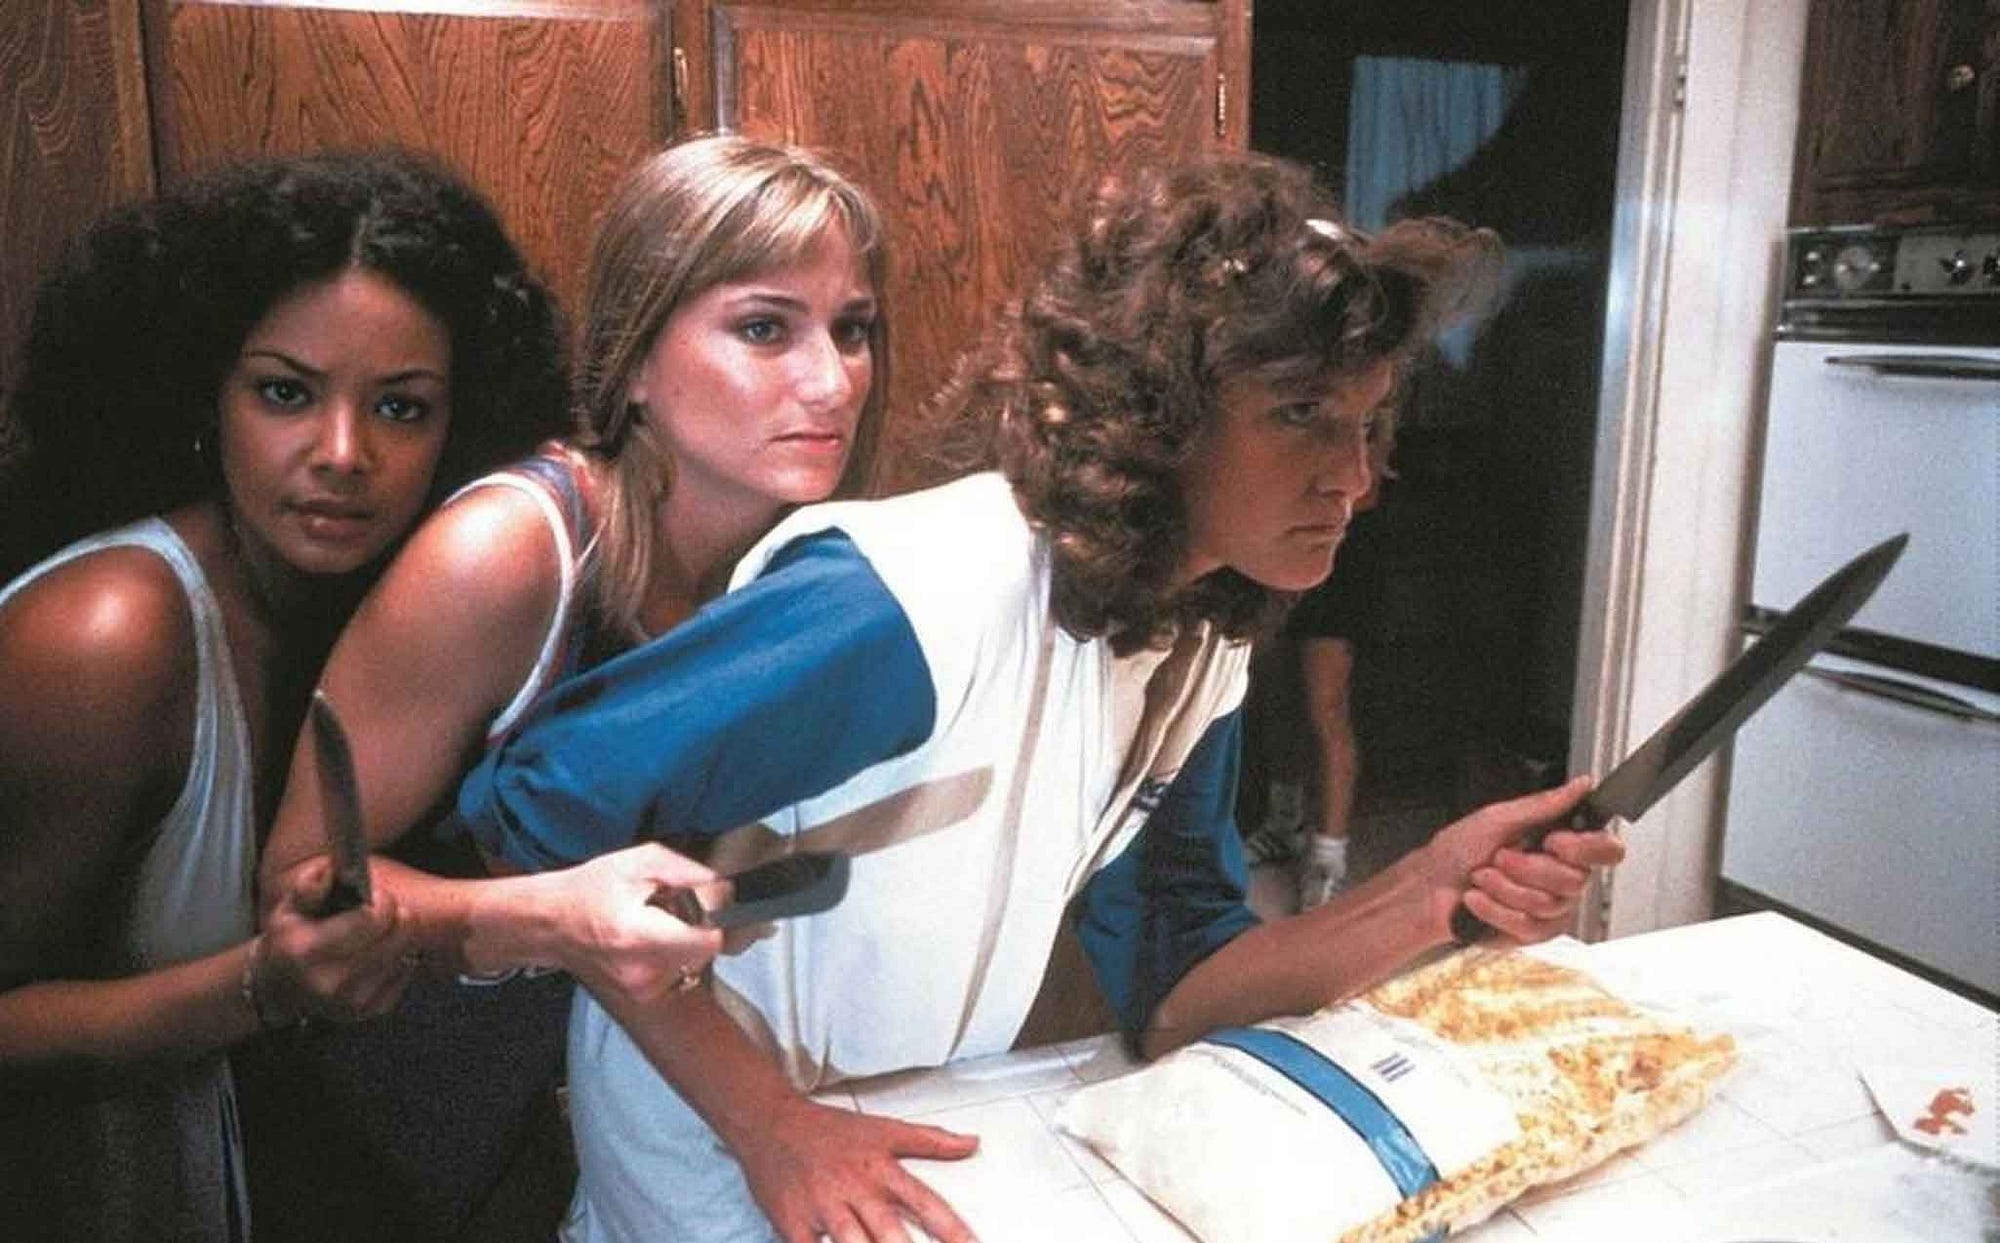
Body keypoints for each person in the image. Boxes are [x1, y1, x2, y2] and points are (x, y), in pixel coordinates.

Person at [439, 150, 1630, 1243]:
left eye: (1367, 423)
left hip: (892, 1139)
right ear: (1159, 410)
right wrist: (768, 1124)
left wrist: (1430, 890)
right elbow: (536, 813)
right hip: (707, 1171)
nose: (1353, 478)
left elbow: (1177, 988)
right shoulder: (916, 599)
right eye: (1300, 415)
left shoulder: (1196, 634)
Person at [250, 134, 892, 1240]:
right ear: (634, 360)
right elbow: (297, 888)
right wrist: (549, 917)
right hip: (367, 1142)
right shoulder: (512, 552)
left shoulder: (783, 568)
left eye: (852, 328)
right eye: (763, 328)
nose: (830, 380)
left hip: (541, 1124)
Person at [0, 150, 569, 1243]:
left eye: (400, 407)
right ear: (203, 394)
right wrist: (261, 987)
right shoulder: (110, 637)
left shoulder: (384, 606)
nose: (343, 454)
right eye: (284, 393)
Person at [1239, 421, 1395, 909]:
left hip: (1339, 570)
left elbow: (1364, 493)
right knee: (1274, 700)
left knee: (1325, 709)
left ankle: (1329, 860)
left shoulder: (1370, 414)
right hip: (1274, 566)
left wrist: (1288, 491)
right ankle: (1284, 825)